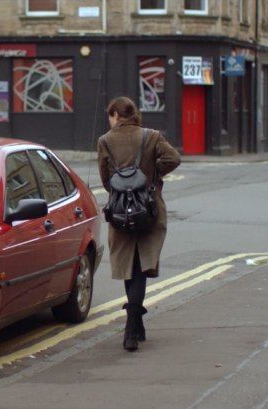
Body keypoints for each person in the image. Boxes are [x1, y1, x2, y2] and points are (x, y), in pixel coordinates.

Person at [96, 96, 181, 352]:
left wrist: (121, 189)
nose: (108, 120)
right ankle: (134, 325)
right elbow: (173, 158)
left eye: (109, 115)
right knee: (141, 265)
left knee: (127, 264)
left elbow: (105, 178)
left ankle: (133, 325)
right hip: (148, 208)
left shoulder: (105, 141)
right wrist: (152, 177)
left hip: (121, 210)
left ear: (115, 114)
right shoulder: (151, 136)